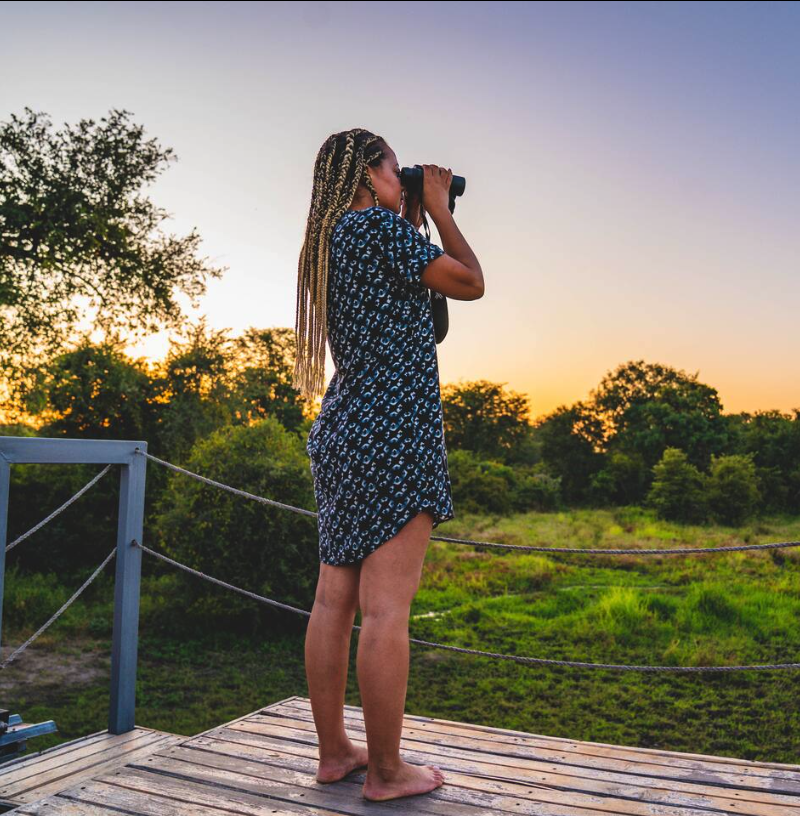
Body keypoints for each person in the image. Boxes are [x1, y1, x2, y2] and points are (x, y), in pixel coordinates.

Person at [292, 129, 484, 802]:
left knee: (331, 602)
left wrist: (410, 215)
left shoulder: (330, 243)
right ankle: (386, 770)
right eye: (393, 169)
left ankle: (334, 753)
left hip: (343, 428)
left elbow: (420, 322)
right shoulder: (378, 229)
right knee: (384, 613)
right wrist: (439, 209)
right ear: (370, 174)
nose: (398, 179)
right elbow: (469, 283)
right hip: (395, 432)